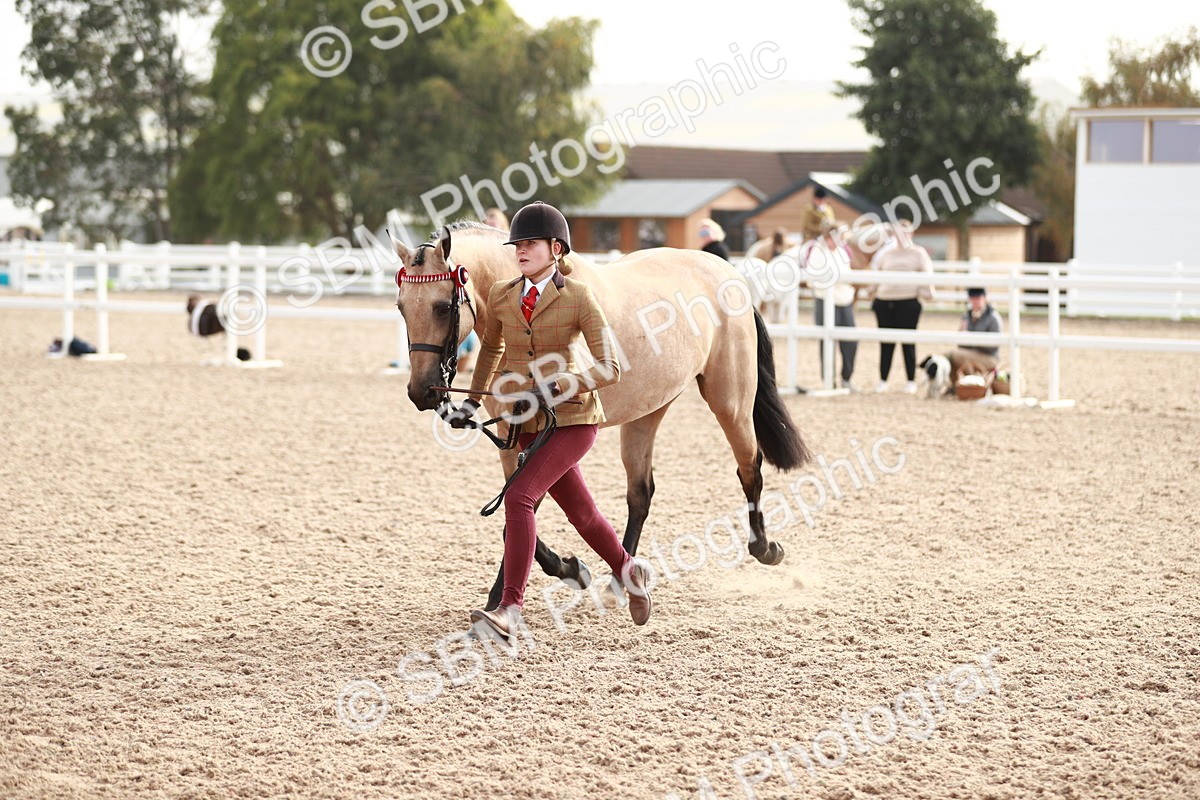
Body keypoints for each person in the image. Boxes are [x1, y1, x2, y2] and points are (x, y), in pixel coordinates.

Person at [444, 201, 651, 641]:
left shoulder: (578, 296)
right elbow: (492, 350)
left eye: (530, 244)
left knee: (519, 498)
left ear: (556, 249)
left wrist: (560, 386)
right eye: (517, 243)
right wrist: (472, 403)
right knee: (583, 514)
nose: (520, 250)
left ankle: (510, 610)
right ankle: (629, 571)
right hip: (528, 424)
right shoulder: (502, 294)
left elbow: (610, 367)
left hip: (573, 420)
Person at [867, 225, 934, 394]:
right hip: (885, 301)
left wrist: (927, 292)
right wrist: (871, 290)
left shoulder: (919, 253)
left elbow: (927, 274)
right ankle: (883, 379)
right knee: (886, 342)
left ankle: (910, 380)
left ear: (911, 234)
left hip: (908, 301)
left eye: (905, 233)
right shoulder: (886, 254)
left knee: (908, 341)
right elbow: (877, 273)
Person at [800, 223, 859, 391]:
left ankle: (846, 377)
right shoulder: (817, 252)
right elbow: (812, 279)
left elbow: (848, 275)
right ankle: (829, 379)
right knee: (827, 341)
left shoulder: (842, 252)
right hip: (825, 300)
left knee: (851, 340)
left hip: (844, 300)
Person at [947, 287, 1003, 386]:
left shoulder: (993, 318)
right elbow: (960, 345)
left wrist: (972, 341)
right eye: (972, 298)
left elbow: (994, 346)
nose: (975, 301)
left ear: (984, 298)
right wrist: (962, 333)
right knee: (954, 355)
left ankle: (974, 385)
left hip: (989, 356)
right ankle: (955, 385)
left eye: (978, 298)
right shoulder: (967, 316)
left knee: (955, 355)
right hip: (971, 352)